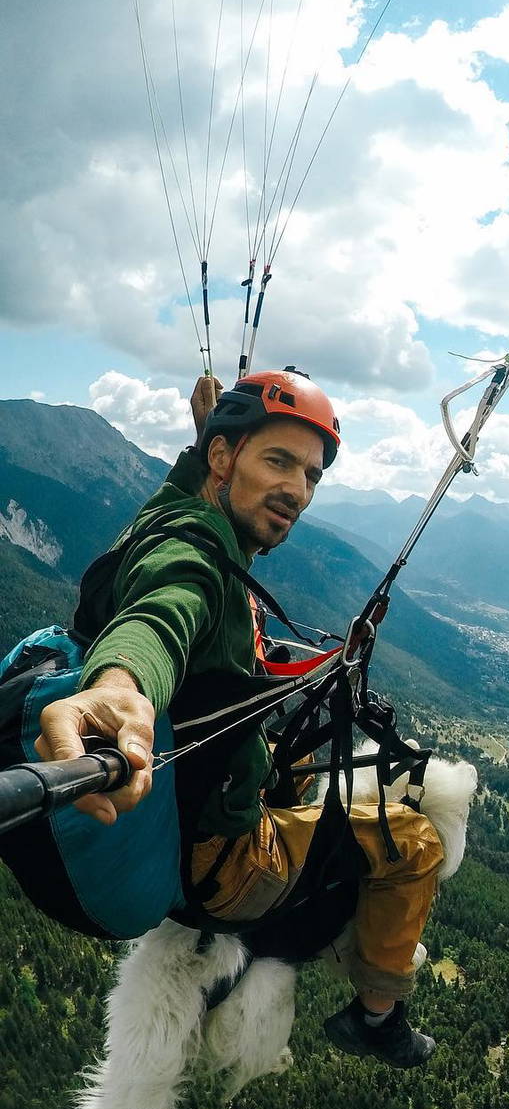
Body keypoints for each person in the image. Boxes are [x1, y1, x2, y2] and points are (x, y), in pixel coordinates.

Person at [34, 368, 443, 1067]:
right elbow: (162, 612)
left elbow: (181, 507)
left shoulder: (174, 509)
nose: (296, 491)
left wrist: (207, 441)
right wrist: (123, 684)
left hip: (188, 810)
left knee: (300, 753)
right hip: (225, 863)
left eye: (310, 476)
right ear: (226, 461)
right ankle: (377, 1017)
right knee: (415, 840)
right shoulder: (192, 554)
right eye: (277, 461)